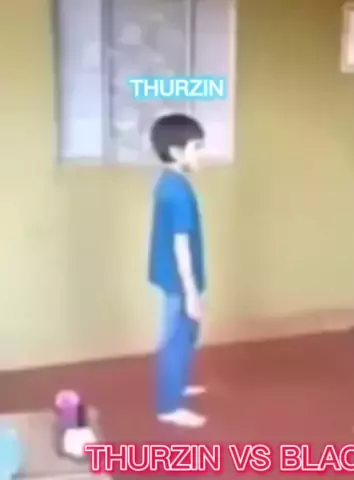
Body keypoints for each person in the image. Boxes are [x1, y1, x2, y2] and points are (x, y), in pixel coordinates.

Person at [148, 114, 207, 428]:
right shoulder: (178, 191)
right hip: (178, 280)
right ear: (175, 152)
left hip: (174, 276)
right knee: (175, 338)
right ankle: (168, 407)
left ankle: (179, 384)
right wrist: (190, 291)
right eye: (196, 147)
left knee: (187, 333)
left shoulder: (169, 183)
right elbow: (179, 244)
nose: (201, 154)